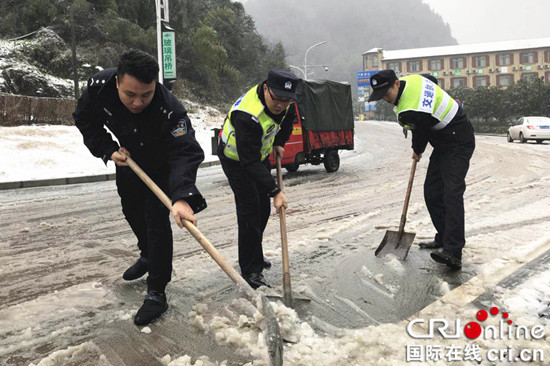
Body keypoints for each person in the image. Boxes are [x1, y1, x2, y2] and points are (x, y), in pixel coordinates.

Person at [73, 49, 206, 325]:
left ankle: (157, 291)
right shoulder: (99, 89)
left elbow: (185, 152)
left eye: (145, 95)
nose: (137, 102)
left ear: (155, 85)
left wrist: (181, 197)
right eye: (130, 94)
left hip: (162, 166)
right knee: (131, 211)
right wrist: (108, 149)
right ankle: (147, 255)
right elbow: (85, 120)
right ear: (118, 82)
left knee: (156, 222)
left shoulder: (171, 109)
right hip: (129, 159)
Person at [368, 69, 475, 269]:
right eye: (380, 95)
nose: (384, 98)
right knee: (432, 192)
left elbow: (421, 131)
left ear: (396, 84)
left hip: (459, 139)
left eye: (386, 93)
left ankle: (454, 252)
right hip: (444, 141)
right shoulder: (413, 81)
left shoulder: (412, 107)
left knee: (451, 192)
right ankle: (443, 238)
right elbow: (430, 80)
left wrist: (417, 151)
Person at [217, 69, 297, 289]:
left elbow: (287, 122)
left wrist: (280, 142)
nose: (281, 105)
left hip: (257, 155)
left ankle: (255, 253)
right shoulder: (247, 115)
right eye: (277, 99)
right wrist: (275, 191)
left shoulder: (287, 104)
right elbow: (248, 161)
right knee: (249, 209)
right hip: (236, 159)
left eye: (287, 100)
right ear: (265, 89)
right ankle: (250, 270)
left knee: (262, 210)